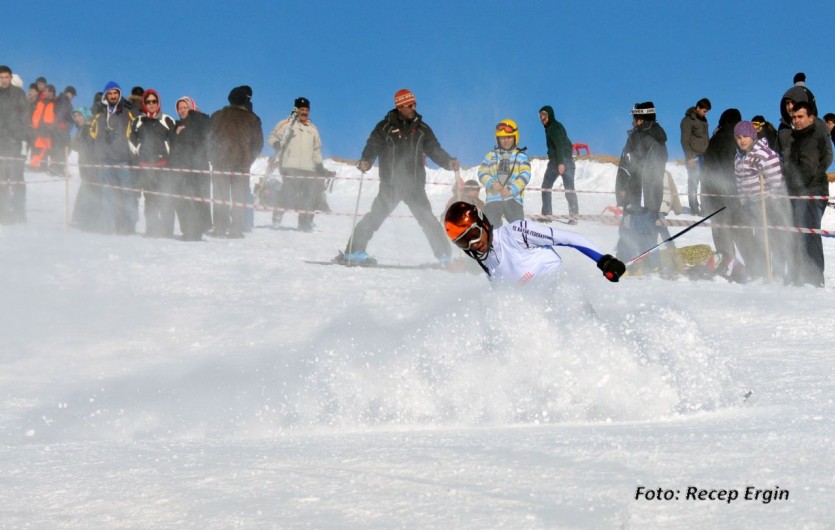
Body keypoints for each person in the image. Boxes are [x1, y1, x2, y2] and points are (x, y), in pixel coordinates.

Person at [336, 88, 460, 266]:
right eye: (409, 105)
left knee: (427, 219)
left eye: (414, 104)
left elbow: (434, 149)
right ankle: (353, 251)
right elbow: (372, 145)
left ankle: (445, 258)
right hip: (391, 184)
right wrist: (366, 160)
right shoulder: (384, 127)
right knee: (375, 217)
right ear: (400, 107)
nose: (413, 108)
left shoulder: (422, 129)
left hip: (414, 185)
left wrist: (448, 162)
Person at [443, 201, 625, 284]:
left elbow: (571, 238)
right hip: (539, 318)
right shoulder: (485, 262)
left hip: (563, 295)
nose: (473, 244)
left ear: (483, 224)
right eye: (463, 242)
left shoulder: (516, 232)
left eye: (473, 234)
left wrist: (604, 261)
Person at [732, 120, 792, 282]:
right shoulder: (738, 157)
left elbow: (776, 181)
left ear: (753, 136)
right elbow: (739, 181)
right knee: (754, 237)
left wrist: (771, 200)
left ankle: (777, 273)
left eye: (745, 136)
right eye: (738, 137)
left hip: (766, 203)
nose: (742, 140)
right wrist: (743, 200)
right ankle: (760, 269)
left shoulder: (765, 154)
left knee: (771, 238)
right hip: (749, 203)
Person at [614, 102, 668, 273]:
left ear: (642, 119)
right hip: (647, 195)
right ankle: (647, 263)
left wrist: (623, 189)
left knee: (635, 231)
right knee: (643, 231)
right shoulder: (653, 138)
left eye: (635, 118)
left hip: (640, 196)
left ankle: (638, 264)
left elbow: (629, 167)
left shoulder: (643, 138)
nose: (633, 121)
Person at [267, 97, 333, 231]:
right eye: (302, 110)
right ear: (296, 110)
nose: (304, 113)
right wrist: (276, 144)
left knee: (309, 196)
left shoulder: (313, 129)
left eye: (307, 110)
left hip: (309, 168)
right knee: (289, 193)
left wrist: (319, 166)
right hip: (289, 166)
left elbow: (316, 150)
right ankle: (277, 215)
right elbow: (272, 137)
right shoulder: (286, 124)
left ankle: (305, 222)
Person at [784, 101, 830, 287]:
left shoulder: (811, 139)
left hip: (811, 192)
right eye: (794, 117)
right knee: (799, 234)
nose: (797, 120)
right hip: (801, 193)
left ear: (811, 118)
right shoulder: (798, 138)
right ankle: (800, 277)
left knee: (809, 234)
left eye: (801, 117)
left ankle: (814, 279)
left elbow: (807, 170)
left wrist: (790, 186)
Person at [209, 85, 264, 238]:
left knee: (220, 197)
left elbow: (208, 139)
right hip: (241, 166)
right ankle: (236, 230)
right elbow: (258, 144)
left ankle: (219, 228)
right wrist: (248, 159)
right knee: (239, 199)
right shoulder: (252, 119)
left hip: (220, 163)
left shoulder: (217, 116)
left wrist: (213, 157)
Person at [89, 81, 138, 234]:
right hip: (105, 159)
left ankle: (129, 226)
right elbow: (92, 133)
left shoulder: (127, 111)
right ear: (105, 96)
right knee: (107, 194)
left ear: (119, 94)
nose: (113, 96)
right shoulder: (100, 113)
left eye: (115, 93)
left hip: (122, 158)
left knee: (127, 193)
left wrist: (133, 107)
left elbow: (137, 123)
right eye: (110, 94)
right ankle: (107, 226)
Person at [700, 108, 743, 278]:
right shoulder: (740, 141)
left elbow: (706, 171)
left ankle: (726, 264)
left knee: (721, 232)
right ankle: (754, 267)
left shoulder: (715, 140)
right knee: (742, 232)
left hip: (717, 197)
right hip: (738, 196)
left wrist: (706, 198)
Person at [129, 89, 177, 238]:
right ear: (144, 103)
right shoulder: (138, 121)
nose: (151, 104)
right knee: (150, 199)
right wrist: (139, 151)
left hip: (163, 166)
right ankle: (152, 229)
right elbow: (131, 140)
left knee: (166, 198)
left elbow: (174, 142)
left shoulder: (167, 120)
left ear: (158, 103)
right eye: (148, 101)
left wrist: (170, 158)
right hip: (146, 166)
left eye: (154, 101)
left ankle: (167, 231)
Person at [169, 96, 212, 241]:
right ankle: (187, 230)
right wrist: (176, 133)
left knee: (196, 199)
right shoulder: (176, 125)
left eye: (185, 107)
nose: (182, 111)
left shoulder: (200, 120)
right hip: (181, 169)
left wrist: (194, 115)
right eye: (179, 108)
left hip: (198, 168)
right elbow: (173, 146)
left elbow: (206, 132)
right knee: (182, 200)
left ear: (191, 107)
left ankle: (197, 230)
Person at [477, 119, 531, 228]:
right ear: (498, 139)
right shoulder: (491, 155)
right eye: (502, 138)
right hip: (494, 199)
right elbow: (482, 172)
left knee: (518, 228)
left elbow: (525, 175)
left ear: (515, 137)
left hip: (513, 199)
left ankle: (518, 238)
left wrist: (511, 189)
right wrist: (492, 183)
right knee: (489, 226)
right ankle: (493, 237)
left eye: (509, 137)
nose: (506, 141)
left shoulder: (521, 156)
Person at [0, 65, 30, 224]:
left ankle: (19, 212)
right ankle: (3, 213)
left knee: (17, 179)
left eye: (6, 77)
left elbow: (25, 117)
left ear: (10, 78)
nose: (4, 80)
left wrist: (21, 137)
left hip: (14, 143)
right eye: (1, 78)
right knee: (1, 181)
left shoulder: (18, 94)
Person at [538, 106, 577, 223]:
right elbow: (567, 143)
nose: (542, 118)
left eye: (544, 115)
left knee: (546, 187)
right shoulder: (555, 126)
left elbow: (559, 144)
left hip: (558, 161)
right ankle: (574, 216)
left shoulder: (553, 127)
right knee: (569, 189)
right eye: (540, 116)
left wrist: (561, 162)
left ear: (550, 115)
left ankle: (547, 215)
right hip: (567, 160)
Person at [70, 106, 101, 231]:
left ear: (86, 115)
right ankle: (84, 219)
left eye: (80, 115)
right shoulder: (82, 129)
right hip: (85, 165)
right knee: (87, 191)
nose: (77, 118)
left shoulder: (88, 127)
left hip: (91, 165)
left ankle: (86, 220)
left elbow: (90, 146)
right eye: (75, 116)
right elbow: (76, 147)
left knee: (89, 192)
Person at [679, 98, 711, 215]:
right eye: (704, 111)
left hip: (704, 155)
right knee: (693, 182)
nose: (705, 113)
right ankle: (694, 208)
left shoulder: (704, 120)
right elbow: (684, 140)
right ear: (698, 108)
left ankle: (705, 208)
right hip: (694, 156)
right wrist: (689, 157)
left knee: (705, 181)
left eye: (707, 111)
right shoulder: (687, 121)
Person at [50, 86, 76, 176]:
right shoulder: (64, 101)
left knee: (61, 147)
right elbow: (60, 113)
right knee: (64, 148)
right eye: (72, 95)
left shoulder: (61, 100)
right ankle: (58, 168)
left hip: (60, 128)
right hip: (61, 129)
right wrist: (62, 124)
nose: (72, 97)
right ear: (68, 93)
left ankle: (56, 167)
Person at [30, 84, 56, 171]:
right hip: (37, 129)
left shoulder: (55, 103)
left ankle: (50, 167)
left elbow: (57, 117)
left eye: (47, 91)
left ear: (52, 92)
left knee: (49, 149)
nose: (45, 93)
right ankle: (35, 165)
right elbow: (35, 114)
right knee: (38, 147)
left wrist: (52, 127)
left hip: (49, 131)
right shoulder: (40, 102)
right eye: (44, 91)